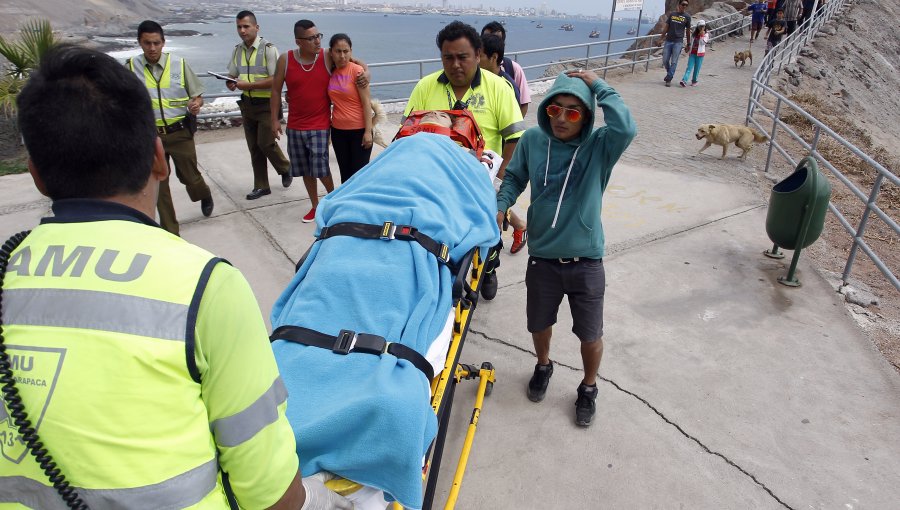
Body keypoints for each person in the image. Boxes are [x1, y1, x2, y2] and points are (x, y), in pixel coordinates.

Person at [2, 44, 351, 510]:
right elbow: (272, 494)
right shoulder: (204, 286)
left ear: (37, 176)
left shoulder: (10, 271)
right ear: (159, 160)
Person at [495, 69, 637, 427]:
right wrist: (502, 204)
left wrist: (598, 86)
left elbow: (626, 128)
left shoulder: (600, 146)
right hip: (542, 258)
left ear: (586, 116)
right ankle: (543, 365)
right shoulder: (531, 140)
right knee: (538, 324)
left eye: (573, 112)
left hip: (586, 261)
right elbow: (514, 177)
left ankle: (588, 388)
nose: (560, 118)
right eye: (555, 108)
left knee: (590, 335)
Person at [404, 21, 526, 299]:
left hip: (481, 181)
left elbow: (514, 137)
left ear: (478, 54)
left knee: (488, 237)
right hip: (436, 183)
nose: (456, 64)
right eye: (448, 58)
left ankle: (490, 269)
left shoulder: (498, 88)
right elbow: (407, 132)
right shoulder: (425, 87)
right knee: (440, 239)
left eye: (463, 57)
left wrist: (501, 176)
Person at [271, 19, 369, 223]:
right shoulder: (285, 59)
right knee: (306, 169)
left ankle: (333, 200)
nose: (317, 41)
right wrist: (275, 119)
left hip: (321, 125)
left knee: (321, 168)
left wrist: (366, 71)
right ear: (299, 41)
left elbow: (352, 60)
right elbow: (275, 89)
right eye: (311, 38)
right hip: (297, 125)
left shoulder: (326, 56)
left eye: (318, 36)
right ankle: (315, 206)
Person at [128, 20, 214, 235]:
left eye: (156, 43)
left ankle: (203, 193)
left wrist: (196, 103)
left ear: (163, 43)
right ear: (140, 42)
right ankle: (171, 232)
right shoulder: (130, 68)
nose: (152, 48)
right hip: (150, 137)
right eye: (147, 43)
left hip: (180, 133)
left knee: (190, 177)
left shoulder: (179, 64)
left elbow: (197, 95)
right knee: (159, 186)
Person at [227, 10, 293, 201]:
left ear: (256, 27)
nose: (242, 30)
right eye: (239, 27)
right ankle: (261, 186)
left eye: (246, 26)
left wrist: (248, 85)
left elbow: (275, 80)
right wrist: (230, 82)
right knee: (254, 147)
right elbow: (232, 74)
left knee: (265, 142)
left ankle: (285, 167)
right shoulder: (237, 50)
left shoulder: (268, 49)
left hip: (266, 104)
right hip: (247, 104)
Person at [479, 33, 529, 255]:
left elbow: (516, 123)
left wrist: (504, 166)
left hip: (495, 160)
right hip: (481, 160)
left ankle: (518, 227)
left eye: (478, 55)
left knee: (493, 204)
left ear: (493, 57)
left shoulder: (505, 85)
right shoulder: (479, 82)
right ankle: (519, 226)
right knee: (491, 203)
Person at [327, 33, 373, 184]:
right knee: (345, 176)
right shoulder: (330, 71)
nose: (342, 56)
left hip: (359, 131)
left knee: (359, 177)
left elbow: (366, 103)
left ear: (351, 51)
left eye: (346, 51)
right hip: (338, 132)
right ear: (331, 52)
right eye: (338, 51)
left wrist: (368, 131)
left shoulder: (357, 71)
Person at [480, 21, 532, 117]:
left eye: (496, 39)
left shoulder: (513, 69)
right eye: (486, 37)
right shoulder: (473, 72)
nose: (490, 42)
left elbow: (523, 103)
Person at [659, 0, 692, 87]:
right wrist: (661, 39)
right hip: (669, 40)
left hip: (678, 42)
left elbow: (688, 31)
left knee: (674, 61)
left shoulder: (687, 17)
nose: (684, 6)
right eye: (683, 4)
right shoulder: (672, 14)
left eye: (686, 5)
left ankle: (669, 78)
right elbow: (666, 27)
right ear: (679, 5)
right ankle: (669, 73)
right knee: (665, 60)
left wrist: (688, 44)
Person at [680, 20, 709, 87]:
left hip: (700, 54)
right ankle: (684, 80)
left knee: (697, 68)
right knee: (689, 67)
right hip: (693, 53)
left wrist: (702, 36)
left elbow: (703, 43)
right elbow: (691, 42)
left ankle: (694, 80)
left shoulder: (706, 34)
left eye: (703, 26)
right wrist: (688, 47)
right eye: (700, 26)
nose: (702, 28)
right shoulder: (694, 34)